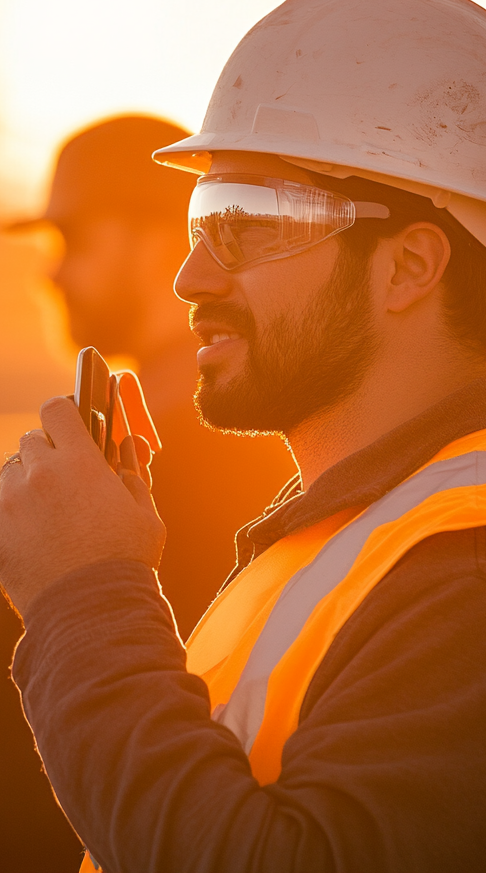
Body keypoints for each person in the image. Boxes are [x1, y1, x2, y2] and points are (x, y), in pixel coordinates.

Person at [0, 0, 486, 873]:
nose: (191, 278)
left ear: (408, 267)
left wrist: (84, 595)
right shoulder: (353, 546)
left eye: (249, 224)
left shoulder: (484, 584)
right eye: (204, 221)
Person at [24, 115, 293, 631]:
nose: (51, 272)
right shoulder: (177, 417)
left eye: (74, 239)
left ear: (160, 240)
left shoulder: (205, 436)